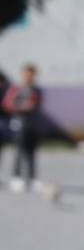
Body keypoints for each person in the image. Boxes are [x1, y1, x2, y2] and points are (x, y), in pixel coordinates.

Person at [3, 64, 42, 192]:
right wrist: (21, 107)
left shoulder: (36, 89)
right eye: (26, 74)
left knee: (31, 152)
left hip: (33, 124)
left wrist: (30, 106)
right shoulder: (15, 89)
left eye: (31, 75)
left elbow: (36, 104)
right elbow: (7, 104)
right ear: (22, 75)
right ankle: (16, 177)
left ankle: (32, 178)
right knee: (19, 151)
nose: (28, 77)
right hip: (19, 123)